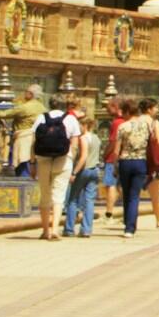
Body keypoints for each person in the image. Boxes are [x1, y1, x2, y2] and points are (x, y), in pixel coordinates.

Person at [31, 95, 80, 240]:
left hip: (43, 159)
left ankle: (45, 230)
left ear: (49, 104)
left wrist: (32, 163)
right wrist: (73, 160)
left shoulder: (41, 117)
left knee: (45, 195)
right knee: (59, 195)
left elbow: (34, 142)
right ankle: (55, 230)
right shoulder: (71, 119)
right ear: (65, 105)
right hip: (64, 159)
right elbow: (75, 145)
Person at [112, 99, 157, 236]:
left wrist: (115, 165)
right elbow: (153, 141)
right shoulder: (147, 125)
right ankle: (130, 228)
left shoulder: (123, 126)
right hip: (140, 162)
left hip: (125, 161)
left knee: (126, 194)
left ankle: (127, 223)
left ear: (127, 112)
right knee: (134, 196)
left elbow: (116, 149)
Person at [62, 100, 103, 239]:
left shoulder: (83, 138)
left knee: (73, 199)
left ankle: (69, 229)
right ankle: (86, 229)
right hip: (95, 171)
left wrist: (74, 172)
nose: (78, 127)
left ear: (85, 125)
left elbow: (83, 156)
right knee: (89, 201)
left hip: (83, 170)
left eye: (80, 124)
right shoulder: (96, 138)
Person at [10, 83, 47, 177]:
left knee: (23, 169)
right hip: (37, 143)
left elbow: (4, 114)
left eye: (26, 92)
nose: (24, 94)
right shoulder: (43, 108)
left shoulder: (25, 107)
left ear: (30, 94)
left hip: (24, 141)